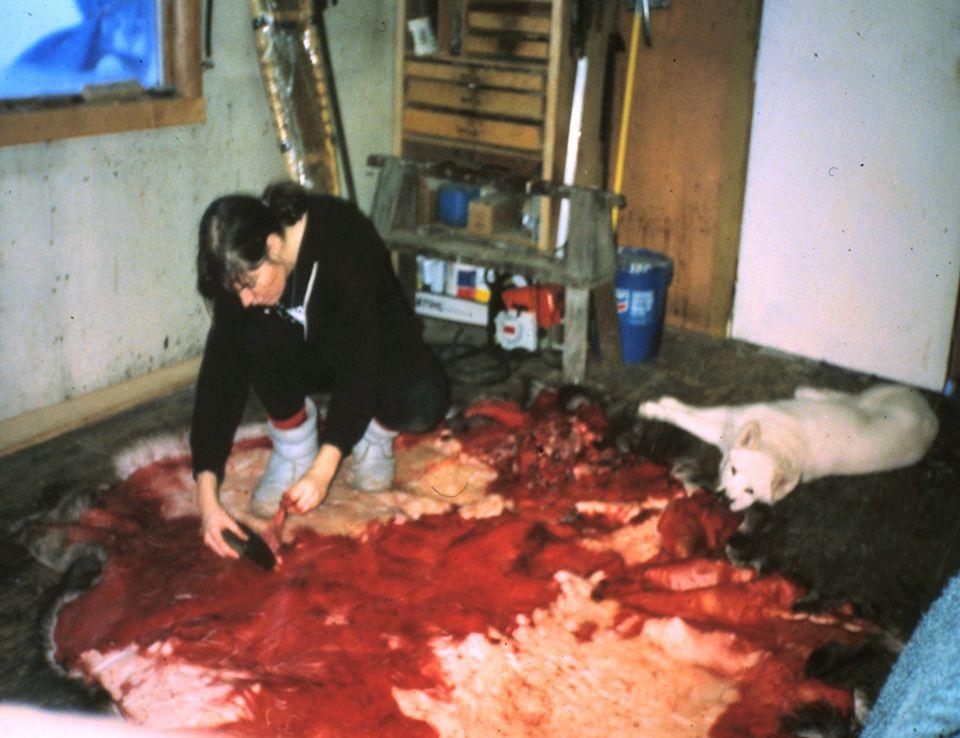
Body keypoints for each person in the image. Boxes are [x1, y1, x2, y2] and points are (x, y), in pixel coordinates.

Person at [190, 182, 450, 558]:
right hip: (305, 356)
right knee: (248, 334)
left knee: (423, 397)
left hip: (372, 350)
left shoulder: (342, 235)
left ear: (273, 246)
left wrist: (324, 471)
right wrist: (207, 503)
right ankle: (294, 445)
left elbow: (363, 363)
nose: (246, 299)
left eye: (250, 285)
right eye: (237, 291)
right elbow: (219, 380)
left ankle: (371, 436)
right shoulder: (242, 270)